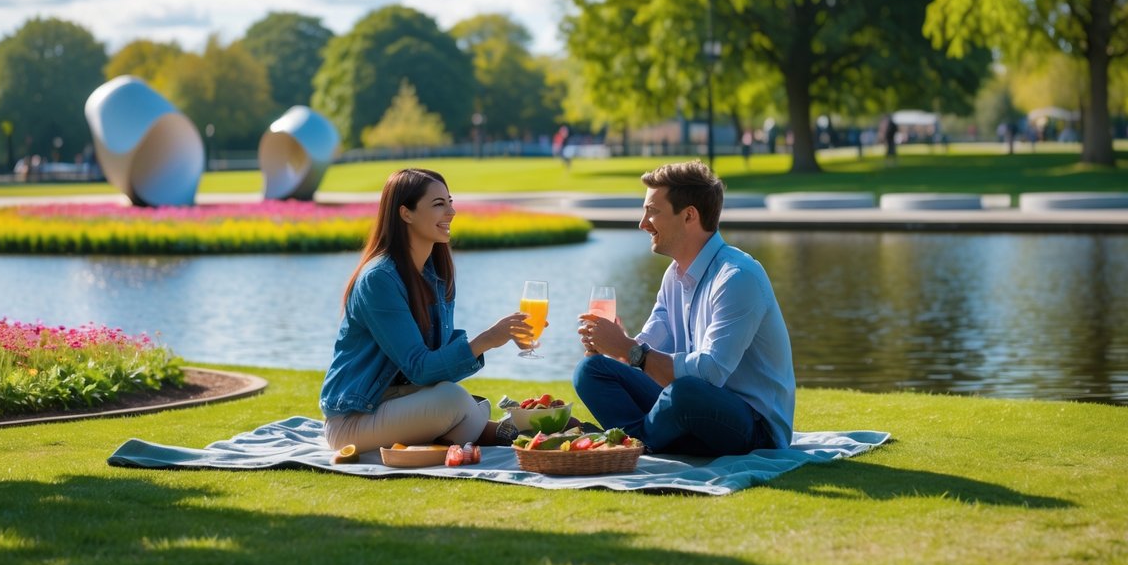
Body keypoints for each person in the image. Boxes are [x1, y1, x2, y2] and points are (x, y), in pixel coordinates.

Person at [574, 160, 795, 456]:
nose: (642, 224)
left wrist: (629, 349)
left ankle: (632, 442)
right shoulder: (674, 276)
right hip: (692, 407)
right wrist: (616, 346)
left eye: (652, 212)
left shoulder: (737, 277)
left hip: (754, 427)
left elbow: (709, 374)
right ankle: (646, 440)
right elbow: (647, 350)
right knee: (592, 370)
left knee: (686, 391)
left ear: (689, 215)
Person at [320, 168, 528, 452]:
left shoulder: (434, 275)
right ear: (406, 213)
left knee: (469, 403)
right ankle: (517, 430)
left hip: (395, 402)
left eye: (450, 201)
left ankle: (524, 431)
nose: (452, 212)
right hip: (353, 421)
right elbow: (420, 368)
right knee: (455, 402)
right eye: (439, 204)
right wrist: (487, 340)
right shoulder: (379, 279)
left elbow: (435, 371)